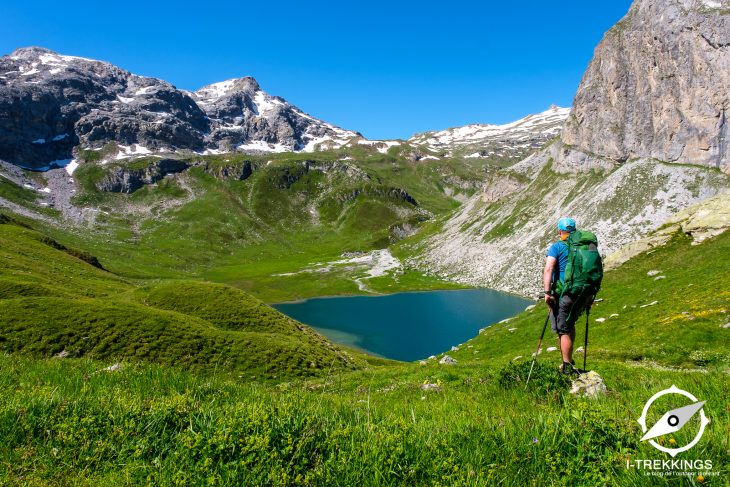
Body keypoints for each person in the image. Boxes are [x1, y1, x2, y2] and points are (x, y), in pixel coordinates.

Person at [543, 217, 592, 374]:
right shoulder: (585, 245)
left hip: (565, 293)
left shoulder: (557, 247)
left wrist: (547, 292)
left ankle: (566, 367)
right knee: (569, 324)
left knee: (563, 329)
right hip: (583, 292)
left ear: (560, 231)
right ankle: (568, 361)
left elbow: (549, 268)